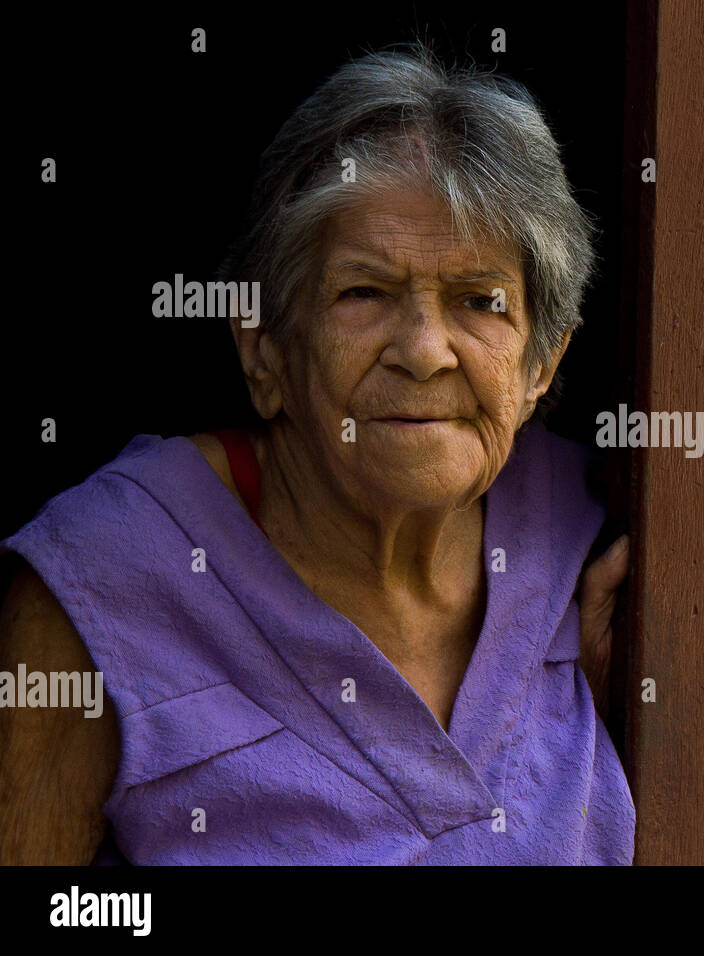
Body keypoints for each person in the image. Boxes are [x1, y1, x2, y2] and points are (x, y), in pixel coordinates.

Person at [0, 43, 635, 864]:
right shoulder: (107, 578)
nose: (425, 351)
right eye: (363, 292)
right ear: (264, 347)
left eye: (480, 301)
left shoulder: (594, 532)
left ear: (541, 363)